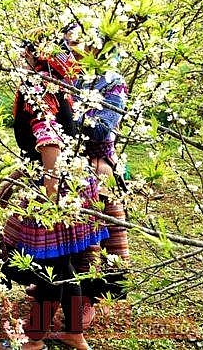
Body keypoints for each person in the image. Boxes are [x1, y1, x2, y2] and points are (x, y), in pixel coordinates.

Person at [0, 32, 110, 350]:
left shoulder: (38, 90)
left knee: (51, 267)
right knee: (63, 265)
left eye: (26, 51)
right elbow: (40, 151)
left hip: (55, 190)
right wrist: (12, 181)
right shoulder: (57, 86)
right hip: (69, 184)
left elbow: (49, 145)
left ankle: (34, 341)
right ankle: (74, 333)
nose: (21, 54)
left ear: (37, 57)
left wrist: (50, 202)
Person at [66, 25, 131, 321]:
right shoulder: (63, 74)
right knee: (58, 242)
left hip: (96, 167)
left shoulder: (112, 82)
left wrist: (66, 120)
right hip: (62, 164)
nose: (72, 48)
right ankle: (59, 295)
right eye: (68, 43)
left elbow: (103, 129)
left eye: (77, 42)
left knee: (92, 243)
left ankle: (82, 311)